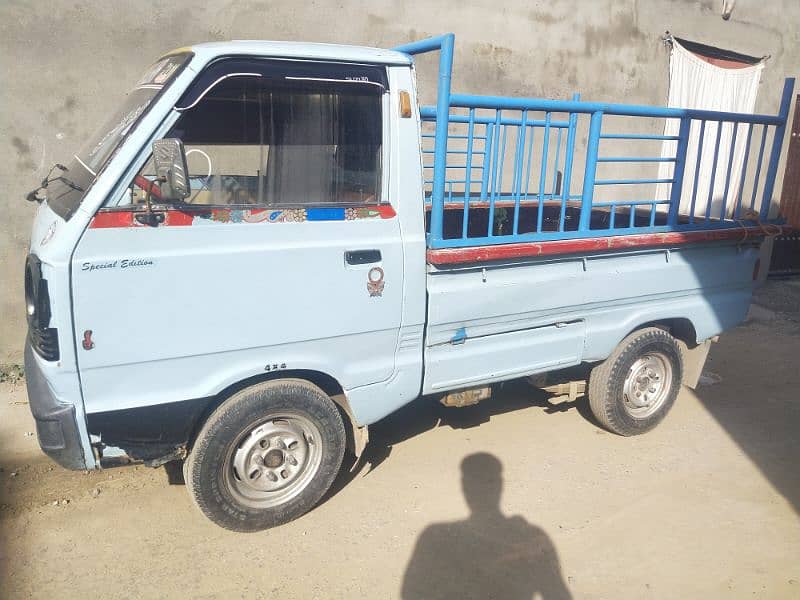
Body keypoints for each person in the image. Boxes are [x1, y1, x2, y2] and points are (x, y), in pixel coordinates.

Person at [402, 453, 572, 599]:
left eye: (488, 482)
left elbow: (410, 592)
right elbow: (557, 592)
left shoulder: (433, 535)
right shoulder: (533, 535)